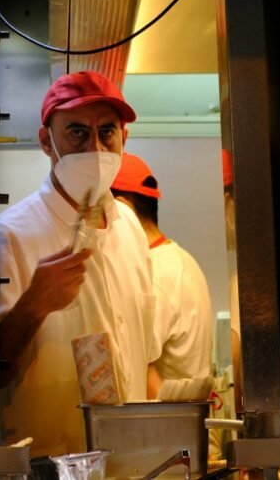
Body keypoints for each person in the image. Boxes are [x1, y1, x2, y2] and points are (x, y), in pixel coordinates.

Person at [0, 71, 159, 457]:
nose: (96, 150)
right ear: (45, 142)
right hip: (48, 464)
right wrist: (34, 305)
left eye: (107, 132)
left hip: (131, 463)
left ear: (124, 139)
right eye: (78, 133)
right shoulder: (11, 235)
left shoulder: (130, 228)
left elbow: (145, 359)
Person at [110, 153, 213, 397]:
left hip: (169, 431)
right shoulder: (179, 259)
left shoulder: (155, 275)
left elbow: (140, 370)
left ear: (123, 208)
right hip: (186, 426)